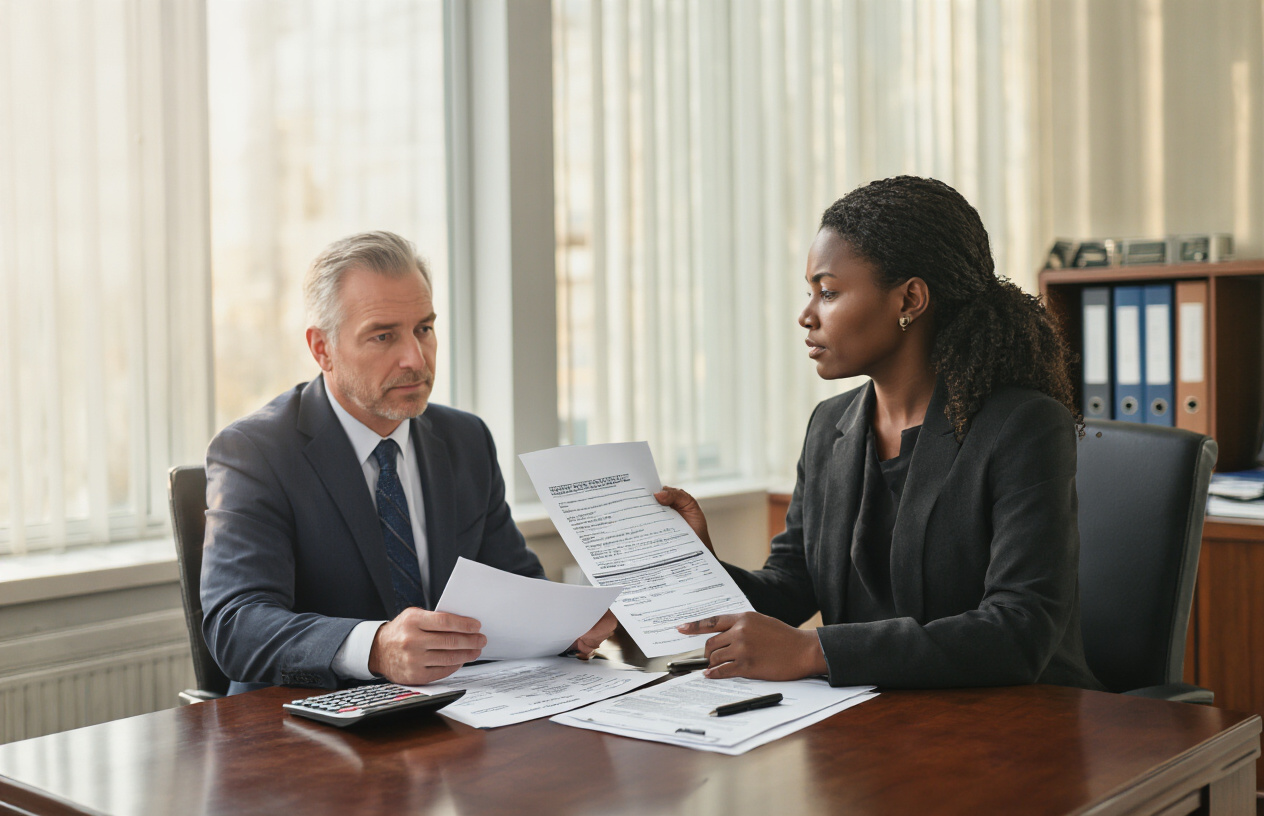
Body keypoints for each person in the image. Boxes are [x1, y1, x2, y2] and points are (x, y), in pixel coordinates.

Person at [656, 176, 1102, 690]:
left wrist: (814, 651)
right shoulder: (831, 426)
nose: (806, 316)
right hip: (871, 723)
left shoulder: (1021, 427)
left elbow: (1018, 631)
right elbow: (792, 585)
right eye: (810, 293)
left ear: (909, 299)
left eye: (828, 292)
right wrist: (697, 562)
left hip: (1011, 724)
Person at [202, 231, 616, 693]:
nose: (415, 358)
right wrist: (375, 648)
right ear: (322, 349)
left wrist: (566, 629)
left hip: (455, 718)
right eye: (383, 336)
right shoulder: (255, 451)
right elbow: (236, 625)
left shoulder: (465, 439)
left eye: (424, 328)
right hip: (307, 729)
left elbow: (515, 585)